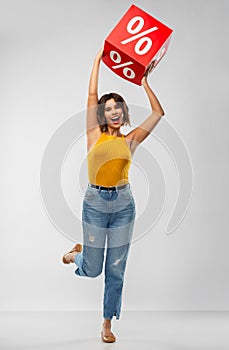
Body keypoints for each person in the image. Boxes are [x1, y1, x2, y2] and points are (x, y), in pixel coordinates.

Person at [62, 47, 165, 343]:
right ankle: (78, 254)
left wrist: (144, 82)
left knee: (116, 269)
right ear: (102, 114)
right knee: (93, 270)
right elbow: (91, 96)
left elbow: (158, 113)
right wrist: (96, 61)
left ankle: (107, 324)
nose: (114, 110)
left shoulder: (131, 139)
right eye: (108, 108)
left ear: (123, 112)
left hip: (123, 206)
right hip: (95, 204)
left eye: (118, 106)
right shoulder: (94, 134)